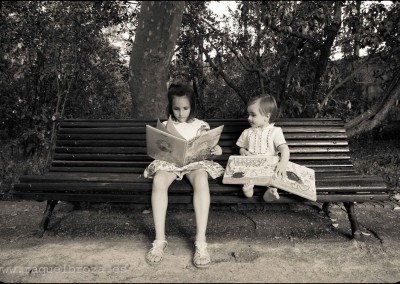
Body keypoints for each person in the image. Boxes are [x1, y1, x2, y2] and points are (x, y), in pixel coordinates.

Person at [143, 83, 224, 269]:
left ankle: (201, 242)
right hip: (171, 163)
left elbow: (208, 151)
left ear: (192, 106)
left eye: (185, 108)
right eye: (176, 108)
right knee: (159, 180)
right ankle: (159, 240)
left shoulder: (202, 126)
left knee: (202, 179)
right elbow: (157, 149)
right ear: (170, 107)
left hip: (194, 164)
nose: (181, 113)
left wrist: (216, 151)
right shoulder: (164, 125)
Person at [236, 95, 290, 202]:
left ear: (267, 117)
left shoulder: (275, 131)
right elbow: (241, 147)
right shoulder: (247, 132)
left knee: (276, 175)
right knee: (243, 172)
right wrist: (243, 151)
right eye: (248, 114)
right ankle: (248, 189)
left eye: (253, 115)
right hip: (252, 165)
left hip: (269, 166)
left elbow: (284, 148)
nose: (249, 118)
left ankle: (270, 192)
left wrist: (283, 163)